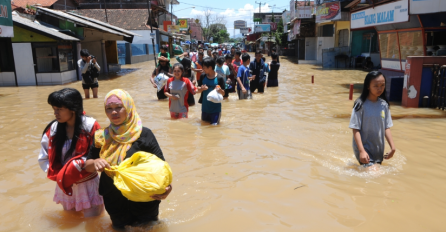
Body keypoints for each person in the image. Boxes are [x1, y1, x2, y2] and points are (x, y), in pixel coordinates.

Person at [84, 89, 172, 230]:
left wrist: (167, 188)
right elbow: (87, 165)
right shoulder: (101, 137)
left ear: (128, 107)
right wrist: (94, 163)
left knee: (149, 228)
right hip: (114, 198)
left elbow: (161, 166)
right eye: (109, 109)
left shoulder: (144, 134)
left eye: (119, 107)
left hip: (145, 197)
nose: (114, 112)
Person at [38, 88, 104, 217]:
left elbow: (102, 155)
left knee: (93, 224)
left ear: (72, 108)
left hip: (89, 185)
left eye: (59, 109)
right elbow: (44, 158)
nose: (55, 113)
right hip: (65, 186)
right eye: (54, 109)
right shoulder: (53, 129)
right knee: (71, 222)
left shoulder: (91, 126)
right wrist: (60, 176)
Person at [349, 71, 396, 169]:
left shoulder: (384, 105)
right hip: (363, 148)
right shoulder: (360, 105)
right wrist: (361, 151)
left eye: (382, 85)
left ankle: (353, 169)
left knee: (375, 172)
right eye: (376, 86)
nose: (380, 88)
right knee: (375, 173)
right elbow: (355, 128)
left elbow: (386, 127)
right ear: (368, 86)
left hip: (378, 148)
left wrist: (393, 147)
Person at [197, 57, 226, 125]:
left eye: (204, 67)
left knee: (214, 128)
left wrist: (220, 90)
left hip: (216, 109)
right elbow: (197, 90)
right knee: (204, 128)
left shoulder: (219, 78)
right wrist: (202, 89)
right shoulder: (203, 76)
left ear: (210, 67)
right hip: (205, 109)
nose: (203, 69)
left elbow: (224, 94)